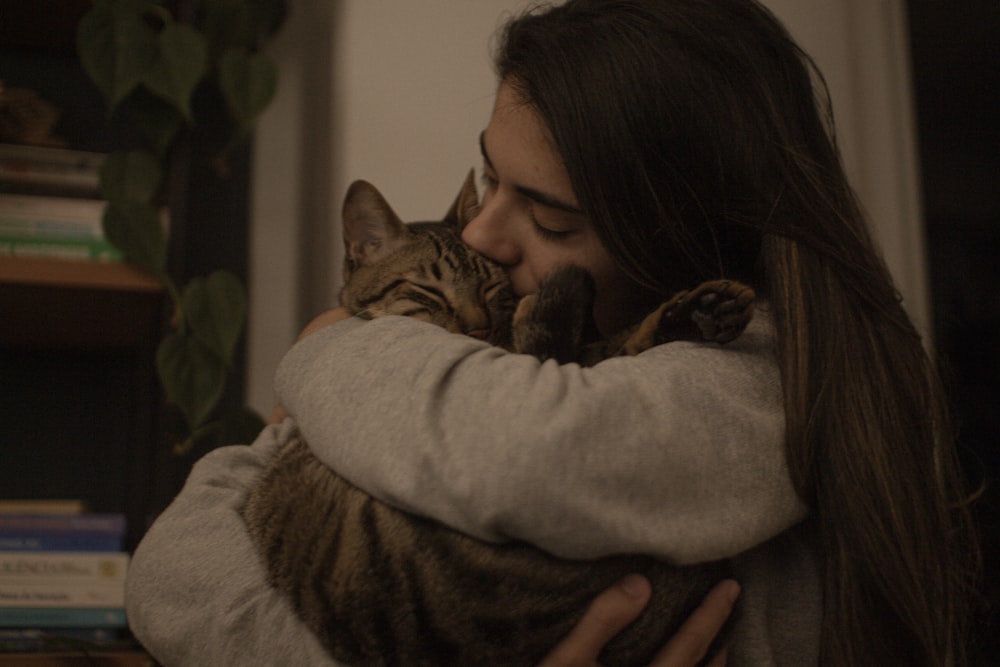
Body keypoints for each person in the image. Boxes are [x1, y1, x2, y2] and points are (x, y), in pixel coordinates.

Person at [125, 0, 979, 665]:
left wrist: (327, 344)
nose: (480, 238)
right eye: (491, 177)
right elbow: (166, 576)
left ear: (687, 244)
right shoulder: (480, 368)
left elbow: (523, 453)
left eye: (552, 220)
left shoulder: (759, 381)